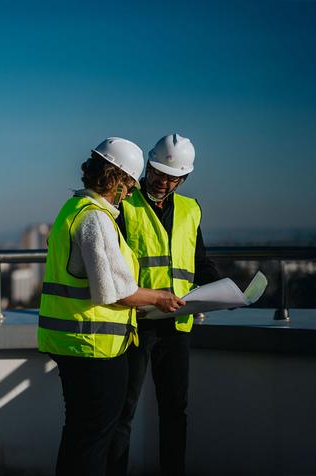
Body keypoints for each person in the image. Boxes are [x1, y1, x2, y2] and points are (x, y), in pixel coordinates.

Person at [39, 137, 186, 476]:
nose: (132, 193)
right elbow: (114, 290)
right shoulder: (96, 219)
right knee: (93, 440)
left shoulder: (72, 209)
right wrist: (160, 297)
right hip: (93, 349)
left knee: (79, 436)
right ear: (117, 179)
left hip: (73, 344)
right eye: (130, 185)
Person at [117, 133, 222, 476]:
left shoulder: (191, 209)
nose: (163, 182)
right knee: (123, 411)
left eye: (173, 177)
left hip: (177, 324)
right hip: (135, 322)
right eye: (158, 173)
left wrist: (223, 291)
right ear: (147, 166)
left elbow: (200, 262)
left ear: (184, 178)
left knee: (175, 411)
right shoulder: (123, 205)